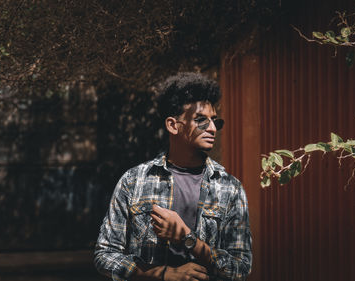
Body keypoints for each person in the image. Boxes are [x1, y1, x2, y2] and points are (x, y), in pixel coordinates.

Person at [94, 72, 252, 281]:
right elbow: (104, 255)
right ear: (173, 125)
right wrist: (163, 274)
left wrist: (188, 239)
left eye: (215, 121)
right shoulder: (134, 181)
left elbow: (240, 268)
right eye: (201, 121)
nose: (213, 128)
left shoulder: (229, 188)